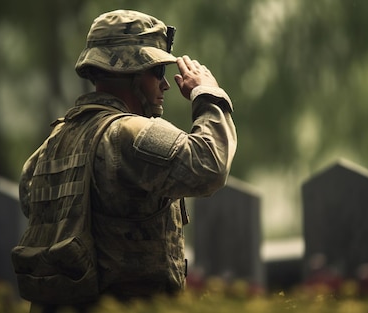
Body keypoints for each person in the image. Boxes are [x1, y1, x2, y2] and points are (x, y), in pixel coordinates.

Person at [14, 9, 237, 312]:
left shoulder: (48, 148)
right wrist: (208, 94)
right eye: (157, 72)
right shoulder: (127, 135)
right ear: (130, 69)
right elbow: (210, 165)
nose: (166, 85)